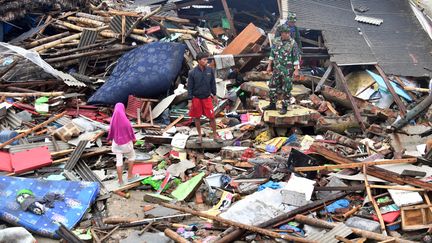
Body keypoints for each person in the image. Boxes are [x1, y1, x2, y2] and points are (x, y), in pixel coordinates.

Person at [263, 23, 301, 115]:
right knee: (272, 86)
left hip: (287, 71)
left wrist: (296, 70)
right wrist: (269, 66)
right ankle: (272, 104)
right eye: (286, 33)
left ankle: (284, 107)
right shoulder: (276, 41)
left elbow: (296, 58)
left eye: (288, 33)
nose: (288, 34)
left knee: (286, 89)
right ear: (281, 33)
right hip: (277, 69)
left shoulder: (293, 43)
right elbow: (272, 55)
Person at [187, 52, 222, 144]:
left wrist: (214, 95)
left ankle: (215, 135)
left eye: (206, 59)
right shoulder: (192, 73)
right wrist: (190, 101)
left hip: (207, 98)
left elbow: (212, 83)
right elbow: (189, 87)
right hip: (196, 98)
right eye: (204, 59)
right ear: (198, 61)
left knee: (212, 117)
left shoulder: (210, 70)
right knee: (197, 117)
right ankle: (199, 136)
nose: (206, 61)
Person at [107, 103, 136, 185]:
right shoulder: (126, 121)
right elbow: (131, 133)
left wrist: (109, 139)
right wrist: (134, 140)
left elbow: (110, 132)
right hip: (126, 144)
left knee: (119, 162)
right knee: (132, 157)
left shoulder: (113, 120)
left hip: (116, 144)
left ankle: (120, 181)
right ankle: (130, 176)